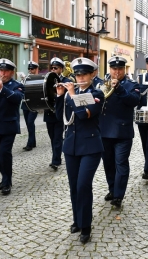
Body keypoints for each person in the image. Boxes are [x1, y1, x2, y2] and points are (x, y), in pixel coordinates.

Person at [55, 57, 104, 244]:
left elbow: (83, 115)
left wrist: (73, 93)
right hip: (71, 146)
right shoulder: (69, 94)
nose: (80, 77)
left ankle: (86, 225)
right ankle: (77, 219)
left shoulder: (97, 93)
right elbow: (61, 116)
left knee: (84, 185)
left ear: (92, 75)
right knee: (74, 185)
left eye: (83, 74)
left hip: (91, 146)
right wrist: (61, 96)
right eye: (77, 74)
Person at [100, 56, 140, 208]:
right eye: (114, 69)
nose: (116, 72)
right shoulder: (102, 84)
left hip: (122, 132)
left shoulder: (131, 85)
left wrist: (119, 88)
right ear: (110, 69)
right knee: (108, 164)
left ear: (124, 69)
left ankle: (118, 195)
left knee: (121, 163)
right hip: (105, 130)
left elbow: (133, 101)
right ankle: (112, 189)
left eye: (119, 69)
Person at [0, 58, 24, 196]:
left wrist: (2, 88)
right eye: (1, 70)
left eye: (6, 71)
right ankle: (4, 177)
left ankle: (7, 182)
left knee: (4, 153)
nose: (3, 73)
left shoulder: (17, 85)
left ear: (12, 72)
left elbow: (16, 98)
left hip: (8, 125)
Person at [43, 57, 71, 170]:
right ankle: (56, 156)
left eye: (56, 68)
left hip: (60, 113)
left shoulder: (65, 81)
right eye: (52, 67)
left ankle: (56, 160)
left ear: (61, 69)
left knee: (58, 138)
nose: (53, 69)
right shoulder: (47, 80)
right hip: (49, 113)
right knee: (52, 137)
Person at [21, 61, 39, 151]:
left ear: (36, 69)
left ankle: (30, 144)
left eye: (32, 69)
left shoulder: (38, 79)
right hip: (25, 104)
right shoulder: (25, 78)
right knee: (29, 124)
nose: (30, 70)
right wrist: (22, 81)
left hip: (34, 104)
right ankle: (33, 142)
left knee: (30, 122)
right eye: (29, 69)